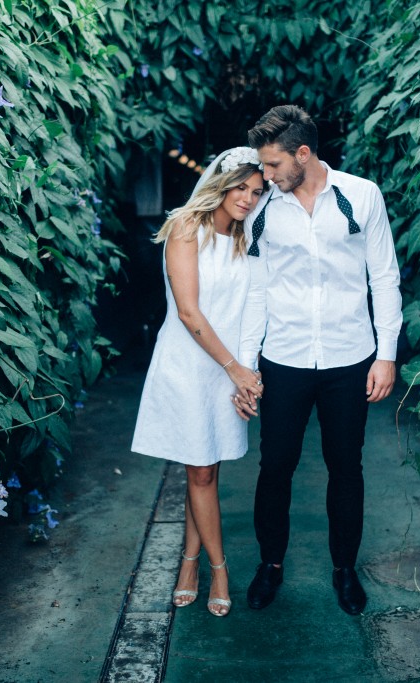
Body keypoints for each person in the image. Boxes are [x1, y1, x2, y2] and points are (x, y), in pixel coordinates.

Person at [235, 105, 402, 615]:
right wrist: (246, 365)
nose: (265, 176)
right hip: (283, 357)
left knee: (346, 467)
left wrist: (386, 355)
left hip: (349, 357)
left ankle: (344, 570)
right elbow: (257, 289)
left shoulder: (362, 195)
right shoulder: (264, 208)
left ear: (303, 154)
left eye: (273, 164)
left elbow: (384, 277)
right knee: (275, 467)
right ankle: (270, 565)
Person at [131, 147, 266, 617]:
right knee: (201, 470)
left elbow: (252, 310)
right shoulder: (187, 227)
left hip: (228, 371)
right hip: (190, 367)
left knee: (206, 467)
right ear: (220, 184)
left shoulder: (246, 238)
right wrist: (235, 369)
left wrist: (247, 373)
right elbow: (189, 312)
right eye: (241, 187)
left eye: (257, 191)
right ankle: (218, 569)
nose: (248, 198)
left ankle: (188, 562)